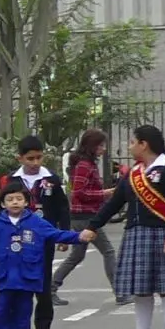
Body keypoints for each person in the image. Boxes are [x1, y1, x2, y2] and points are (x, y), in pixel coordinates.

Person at [80, 122, 165, 329]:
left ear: (144, 144)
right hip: (137, 234)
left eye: (132, 142)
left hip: (164, 234)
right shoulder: (135, 173)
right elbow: (116, 202)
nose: (130, 146)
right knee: (141, 289)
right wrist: (93, 226)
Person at [0, 185, 76, 329]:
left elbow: (56, 234)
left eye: (19, 199)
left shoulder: (36, 222)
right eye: (10, 200)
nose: (15, 203)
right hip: (5, 274)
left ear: (26, 202)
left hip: (28, 274)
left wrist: (79, 237)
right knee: (2, 306)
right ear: (3, 204)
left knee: (24, 307)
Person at [0, 134, 71, 329]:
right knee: (16, 282)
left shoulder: (51, 180)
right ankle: (16, 326)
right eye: (30, 159)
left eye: (39, 158)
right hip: (15, 240)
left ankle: (43, 326)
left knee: (42, 281)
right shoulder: (11, 180)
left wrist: (64, 235)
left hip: (42, 239)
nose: (35, 163)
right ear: (20, 158)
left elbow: (62, 208)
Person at [55, 127, 115, 297]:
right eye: (101, 145)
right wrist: (104, 194)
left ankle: (52, 287)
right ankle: (120, 292)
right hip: (84, 217)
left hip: (86, 215)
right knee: (108, 251)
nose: (103, 149)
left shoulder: (88, 164)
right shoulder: (84, 165)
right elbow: (78, 193)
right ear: (92, 146)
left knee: (77, 256)